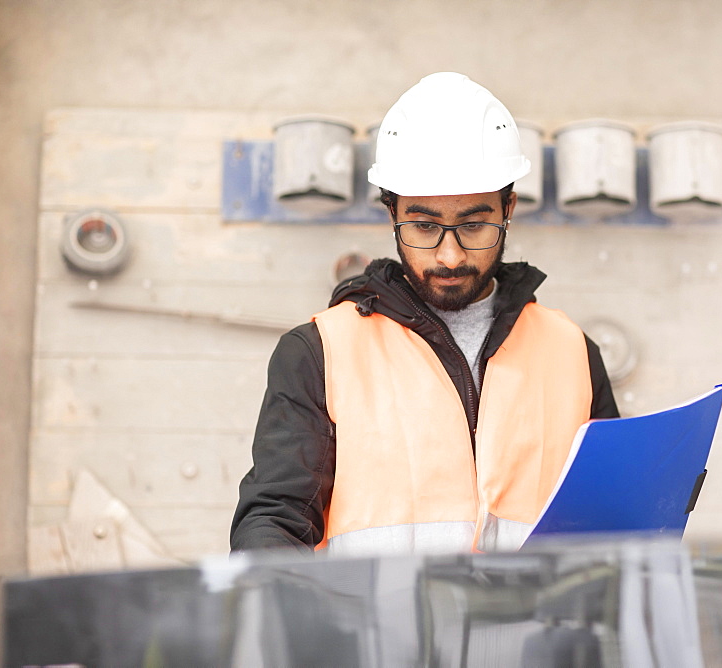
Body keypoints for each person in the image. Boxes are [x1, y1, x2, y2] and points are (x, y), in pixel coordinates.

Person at [230, 72, 619, 557]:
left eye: (475, 224)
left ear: (509, 206)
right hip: (378, 634)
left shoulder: (572, 353)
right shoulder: (320, 352)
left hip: (533, 634)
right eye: (423, 225)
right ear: (391, 213)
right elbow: (275, 521)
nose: (450, 256)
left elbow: (615, 530)